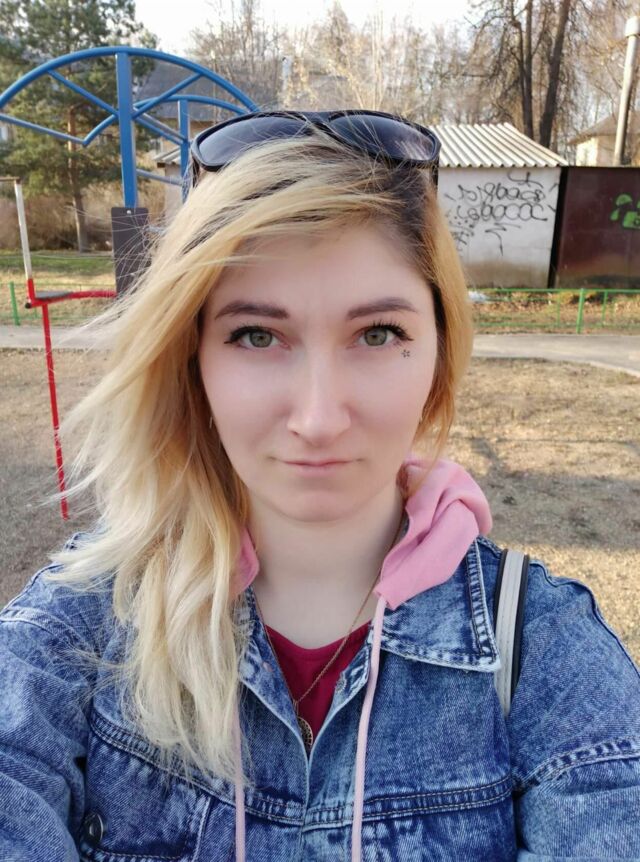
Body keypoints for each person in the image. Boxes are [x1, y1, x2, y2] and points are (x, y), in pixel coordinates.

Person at [1, 110, 639, 862]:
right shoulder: (78, 627)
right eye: (256, 335)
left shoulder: (545, 653)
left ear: (439, 355)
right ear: (192, 361)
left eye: (377, 334)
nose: (318, 418)